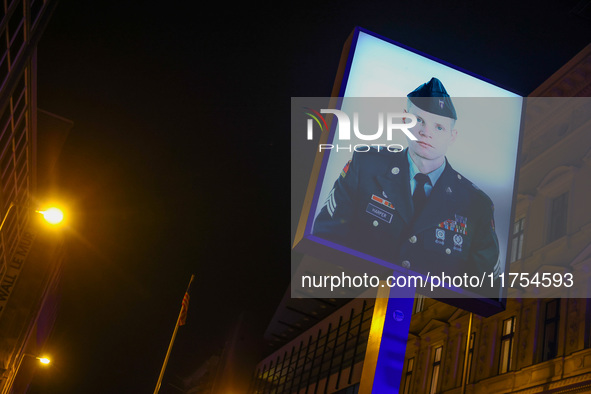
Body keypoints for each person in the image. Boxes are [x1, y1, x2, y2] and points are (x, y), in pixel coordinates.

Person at [313, 77, 500, 281]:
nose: (425, 132)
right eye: (418, 120)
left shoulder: (476, 204)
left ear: (452, 136)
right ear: (404, 120)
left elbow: (484, 285)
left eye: (439, 127)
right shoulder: (366, 165)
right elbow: (325, 238)